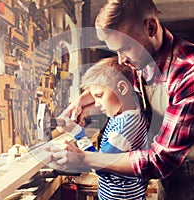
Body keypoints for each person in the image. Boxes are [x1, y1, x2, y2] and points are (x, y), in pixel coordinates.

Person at [49, 0, 194, 199]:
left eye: (125, 48)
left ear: (151, 27)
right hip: (172, 175)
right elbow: (117, 85)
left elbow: (160, 160)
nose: (121, 59)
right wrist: (81, 101)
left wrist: (84, 159)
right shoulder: (142, 61)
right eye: (116, 51)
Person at [58, 56, 149, 200]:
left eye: (100, 96)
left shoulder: (122, 132)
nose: (97, 103)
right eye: (95, 98)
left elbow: (100, 166)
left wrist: (77, 132)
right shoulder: (131, 109)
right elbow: (114, 94)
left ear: (122, 88)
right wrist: (82, 106)